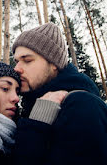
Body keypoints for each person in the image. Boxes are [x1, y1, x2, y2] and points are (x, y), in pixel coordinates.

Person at [12, 22, 107, 165]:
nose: (16, 69)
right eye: (16, 61)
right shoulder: (29, 107)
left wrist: (35, 127)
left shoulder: (82, 105)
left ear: (54, 64)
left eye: (27, 60)